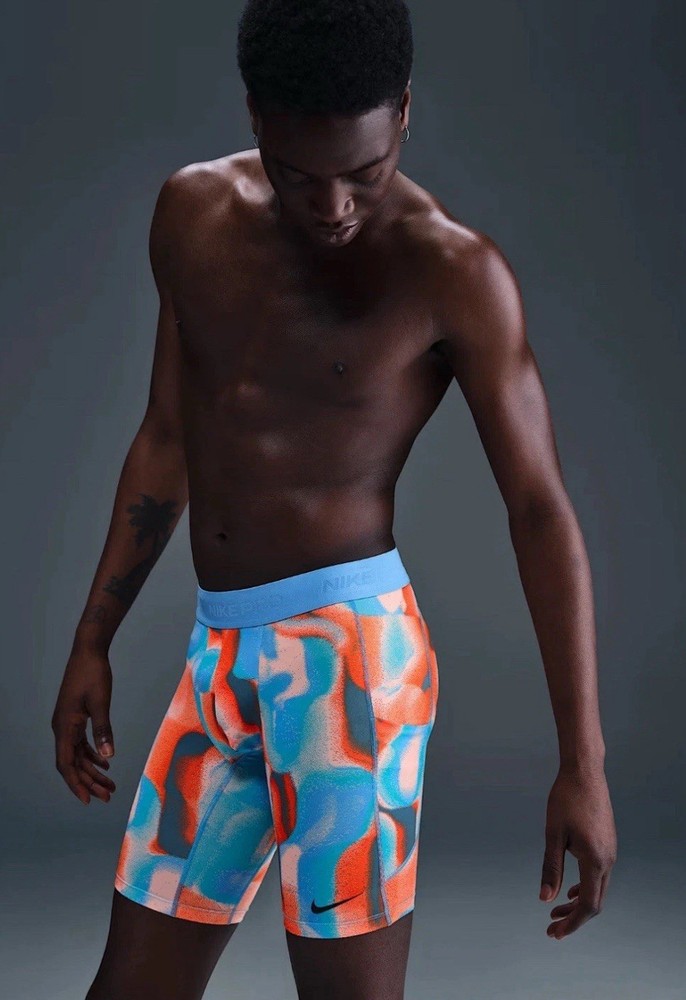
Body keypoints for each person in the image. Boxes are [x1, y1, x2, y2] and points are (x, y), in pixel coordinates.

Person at [50, 1, 617, 998]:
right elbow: (168, 436)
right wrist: (92, 638)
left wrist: (584, 761)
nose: (335, 206)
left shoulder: (453, 271)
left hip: (349, 673)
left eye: (364, 172)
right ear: (255, 117)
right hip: (217, 656)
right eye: (300, 176)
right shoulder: (190, 214)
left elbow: (538, 509)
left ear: (403, 113)